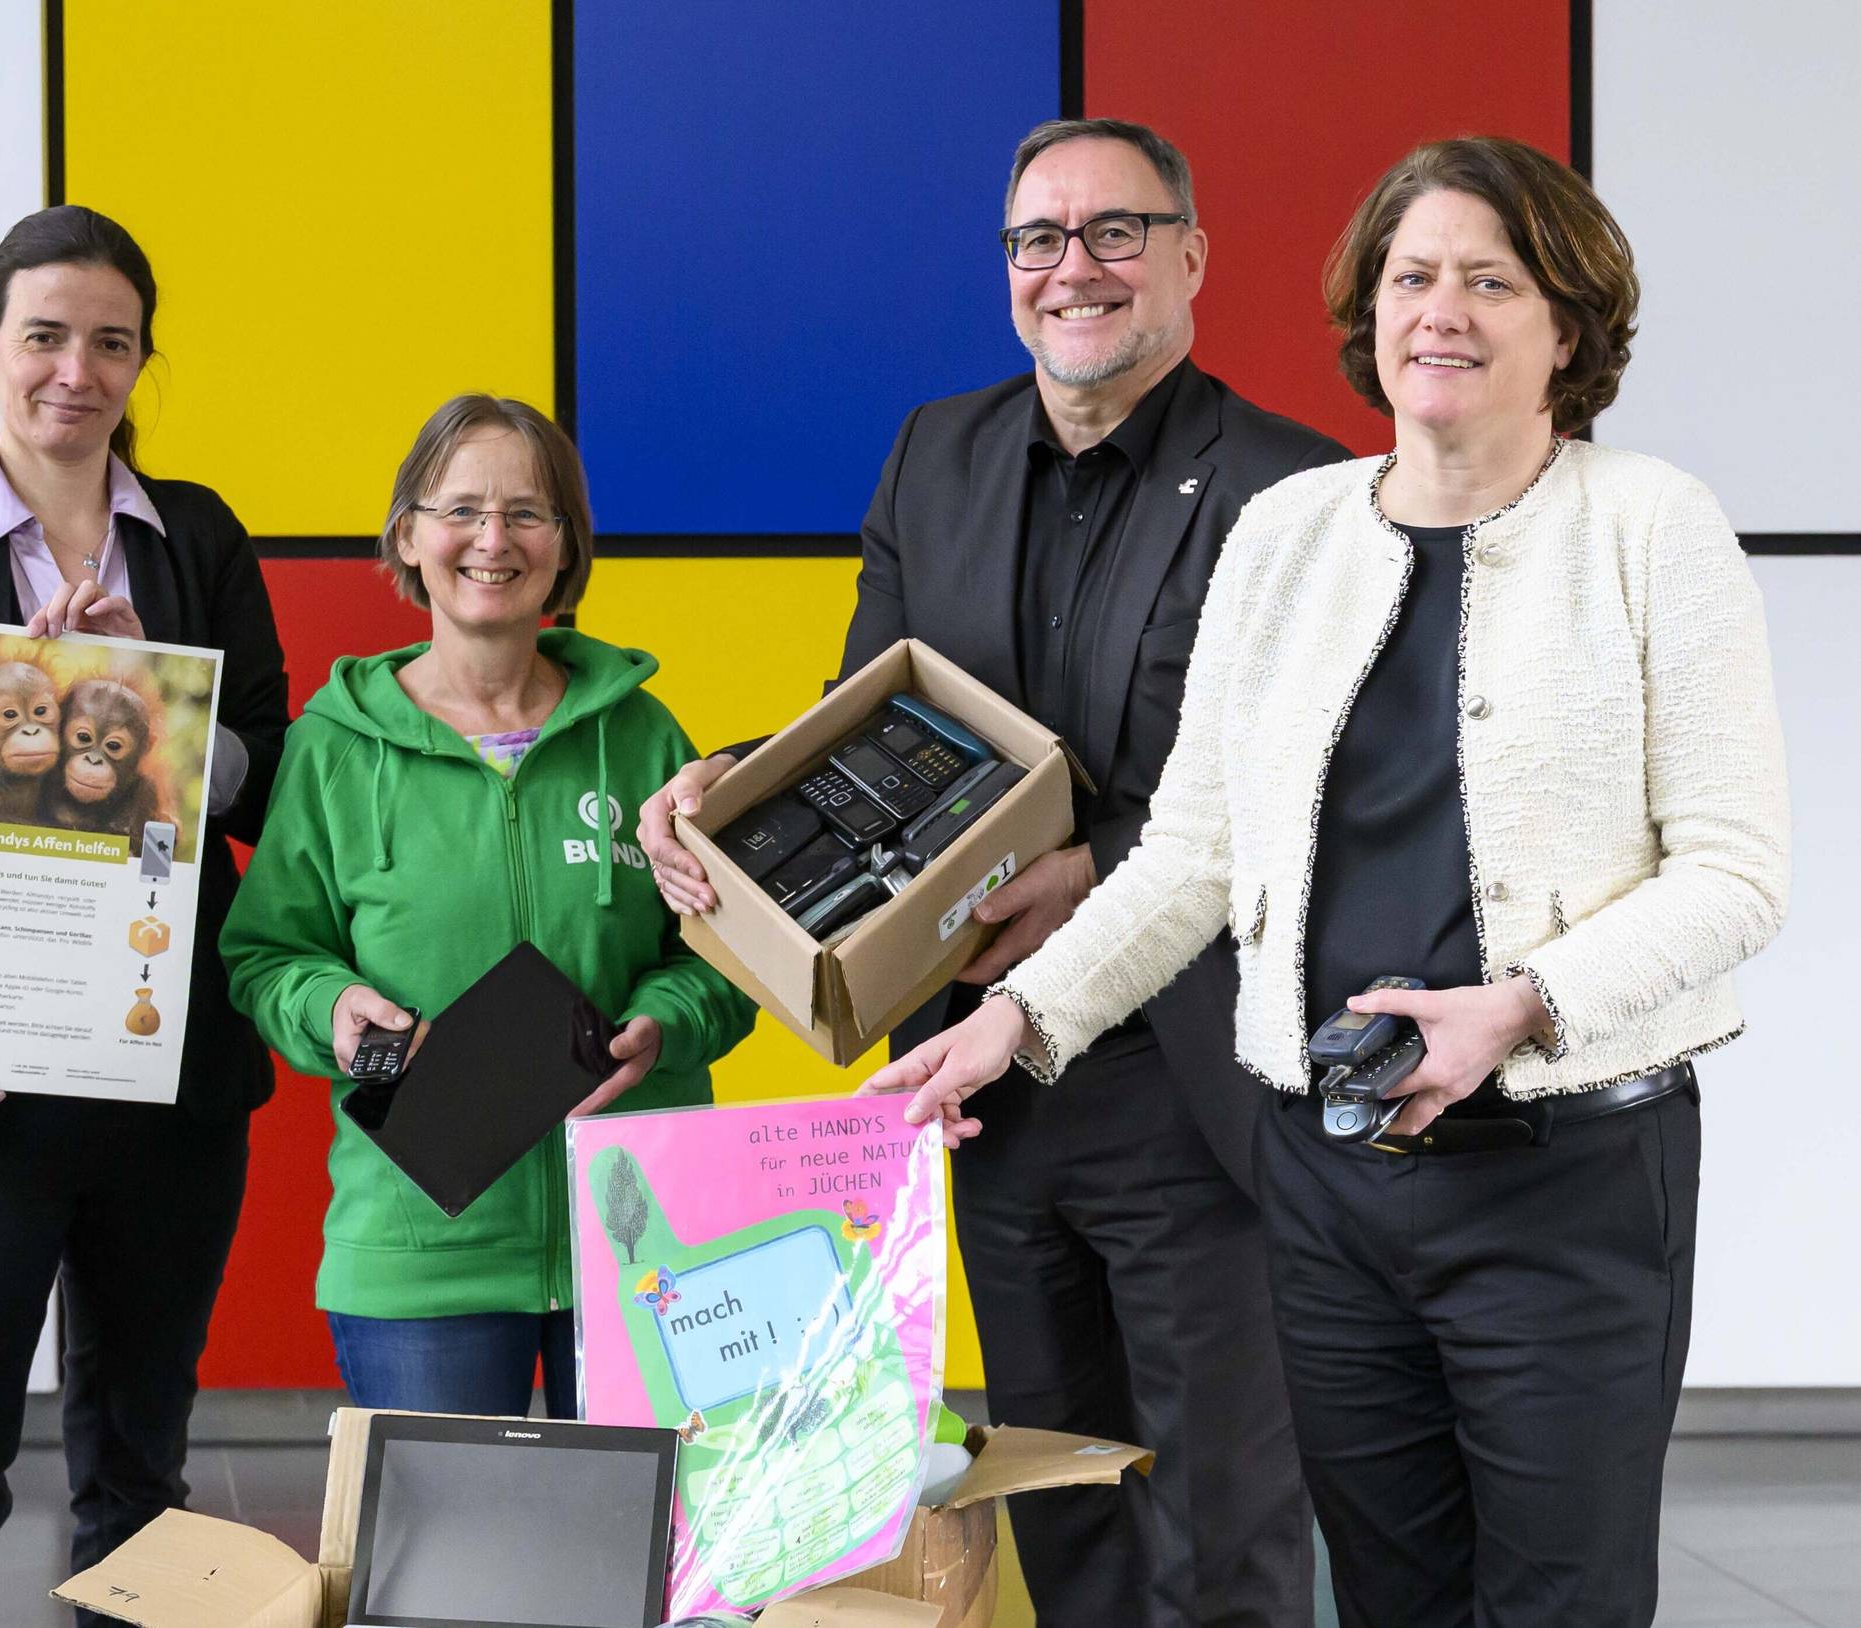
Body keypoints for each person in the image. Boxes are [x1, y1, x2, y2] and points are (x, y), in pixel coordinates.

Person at [870, 135, 1789, 1628]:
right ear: (1367, 310)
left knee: (1563, 1597)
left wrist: (1524, 1005)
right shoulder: (1290, 532)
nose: (1443, 309)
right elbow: (1194, 850)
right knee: (1386, 1593)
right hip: (1326, 1172)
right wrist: (1017, 1019)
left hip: (1562, 1182)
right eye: (1412, 275)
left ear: (1569, 324)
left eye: (1493, 279)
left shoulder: (1648, 527)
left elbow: (1735, 876)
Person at [638, 118, 1345, 1627]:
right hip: (985, 1090)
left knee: (1222, 1531)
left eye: (1115, 232)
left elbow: (1311, 799)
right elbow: (869, 740)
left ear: (1192, 256)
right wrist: (728, 790)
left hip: (1189, 1089)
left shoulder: (1296, 493)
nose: (1072, 269)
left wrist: (1091, 868)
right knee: (1057, 1501)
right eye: (1039, 239)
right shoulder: (934, 452)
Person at [0, 205, 291, 1628]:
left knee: (141, 1478)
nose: (75, 370)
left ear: (144, 361)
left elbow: (266, 776)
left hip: (167, 1084)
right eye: (43, 336)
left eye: (111, 342)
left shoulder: (194, 536)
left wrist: (160, 713)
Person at [220, 393, 755, 1418]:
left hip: (641, 1242)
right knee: (447, 1582)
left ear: (565, 548)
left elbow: (728, 952)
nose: (491, 538)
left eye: (527, 512)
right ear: (410, 535)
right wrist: (328, 1007)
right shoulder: (335, 746)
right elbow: (267, 955)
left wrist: (669, 1022)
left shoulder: (643, 738)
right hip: (423, 1255)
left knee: (645, 1570)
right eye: (459, 507)